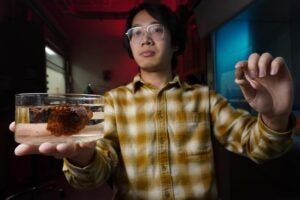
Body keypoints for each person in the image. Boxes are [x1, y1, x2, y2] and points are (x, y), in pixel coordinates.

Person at [9, 2, 296, 199]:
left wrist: (275, 117)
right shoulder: (112, 103)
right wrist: (80, 156)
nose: (145, 39)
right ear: (130, 46)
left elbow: (260, 148)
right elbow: (93, 176)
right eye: (136, 33)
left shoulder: (205, 99)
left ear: (176, 42)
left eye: (156, 30)